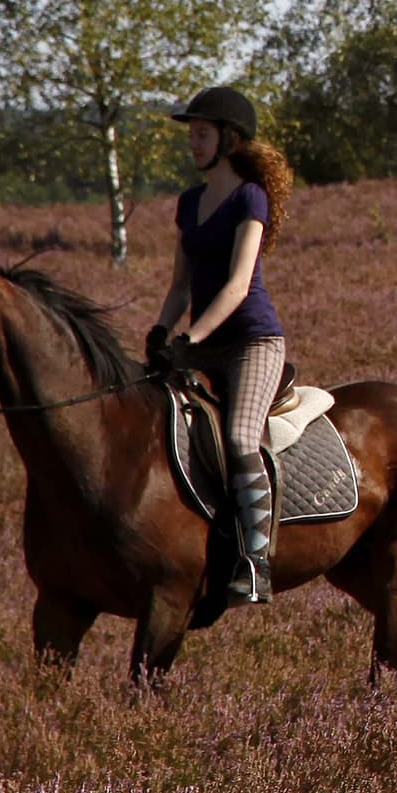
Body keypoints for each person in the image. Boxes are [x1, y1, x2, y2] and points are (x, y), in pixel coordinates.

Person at [151, 85, 292, 605]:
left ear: (229, 139)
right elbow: (179, 287)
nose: (193, 143)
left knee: (237, 438)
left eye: (202, 133)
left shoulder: (249, 198)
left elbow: (237, 285)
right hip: (199, 343)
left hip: (252, 342)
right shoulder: (188, 204)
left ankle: (257, 561)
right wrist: (160, 334)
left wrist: (190, 335)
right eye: (191, 134)